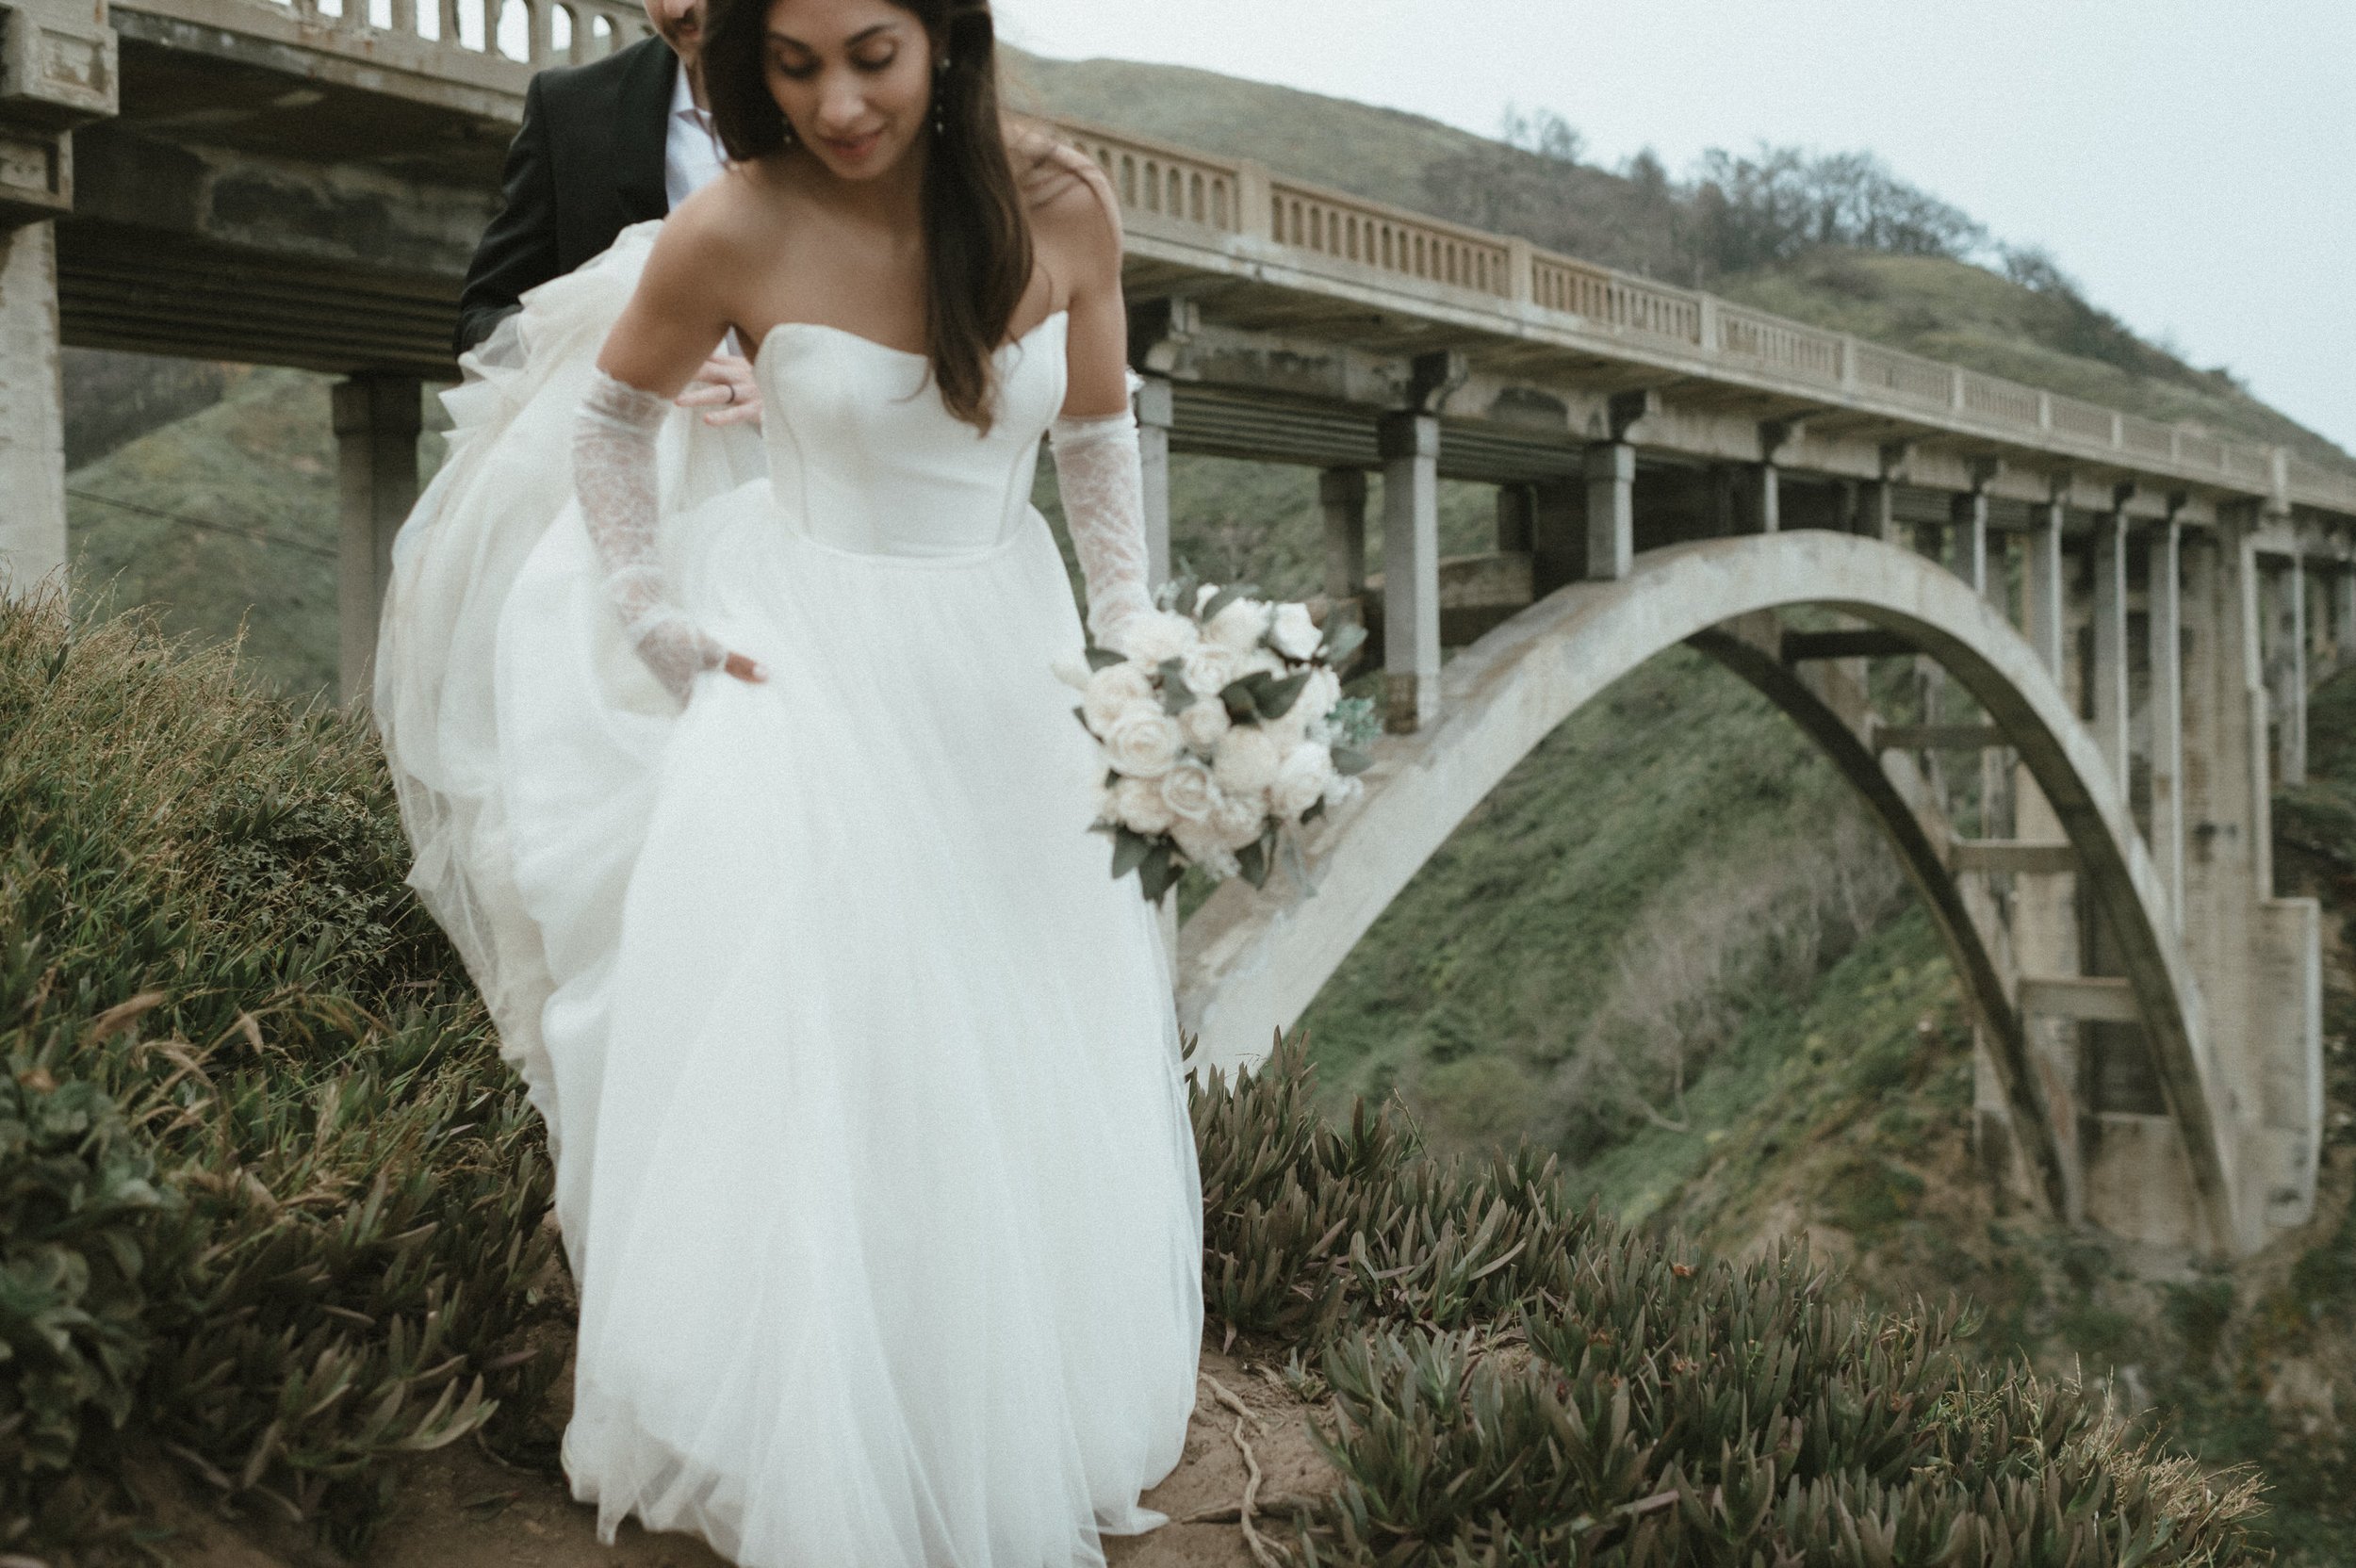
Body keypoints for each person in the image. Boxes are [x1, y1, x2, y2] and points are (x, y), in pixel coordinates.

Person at [374, 0, 1203, 1560]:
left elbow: (1095, 443)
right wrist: (653, 615)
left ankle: (985, 1401)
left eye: (870, 56)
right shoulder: (735, 225)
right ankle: (834, 1433)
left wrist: (1138, 655)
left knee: (1012, 1030)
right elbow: (608, 433)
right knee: (839, 1045)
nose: (836, 103)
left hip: (1005, 671)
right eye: (796, 66)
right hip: (801, 666)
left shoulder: (1066, 206)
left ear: (947, 37)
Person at [454, 0, 760, 420]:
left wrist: (790, 386)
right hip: (634, 455)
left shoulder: (855, 104)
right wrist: (575, 334)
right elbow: (479, 322)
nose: (677, 8)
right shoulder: (569, 107)